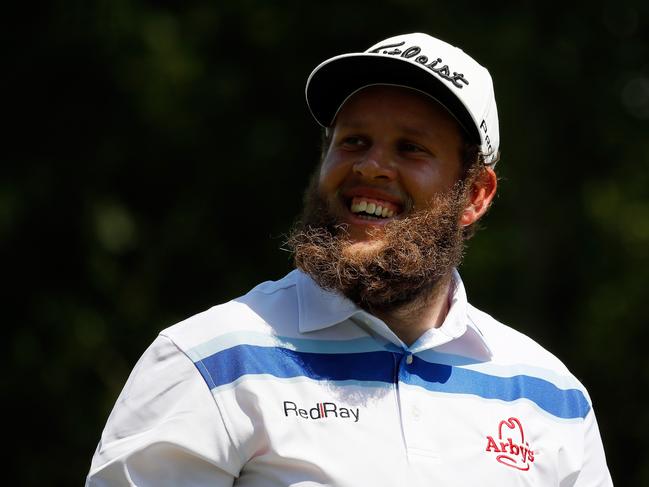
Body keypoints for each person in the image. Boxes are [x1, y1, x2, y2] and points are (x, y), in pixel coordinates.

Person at [86, 33, 613, 486]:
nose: (373, 166)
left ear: (475, 195)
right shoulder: (207, 362)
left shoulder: (552, 398)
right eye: (354, 141)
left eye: (411, 148)